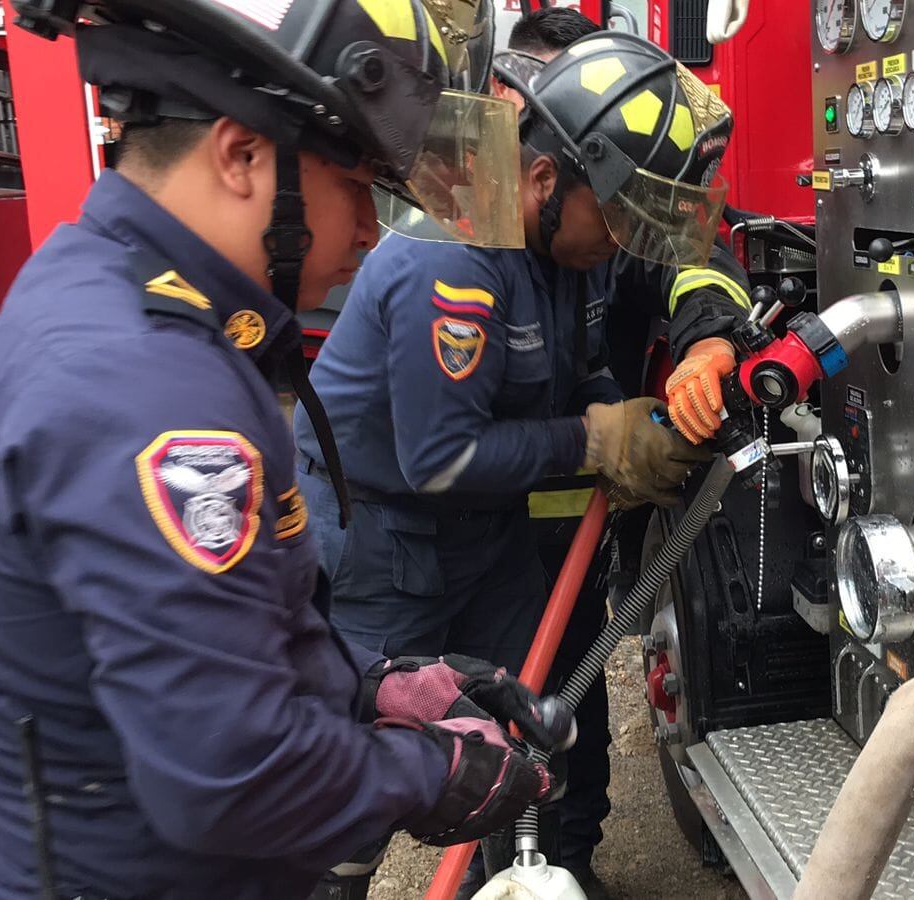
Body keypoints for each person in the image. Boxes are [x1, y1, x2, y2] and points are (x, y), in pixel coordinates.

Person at [0, 2, 558, 898]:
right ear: (242, 155)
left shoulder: (97, 285)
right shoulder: (151, 390)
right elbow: (236, 775)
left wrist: (371, 686)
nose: (369, 230)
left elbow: (192, 642)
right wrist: (433, 774)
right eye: (356, 183)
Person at [296, 25, 747, 896]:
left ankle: (525, 879)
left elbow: (578, 365)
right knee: (355, 773)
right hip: (384, 541)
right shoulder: (455, 260)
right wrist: (596, 439)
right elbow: (439, 456)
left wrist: (632, 415)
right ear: (544, 180)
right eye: (618, 215)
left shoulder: (569, 241)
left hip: (485, 533)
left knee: (529, 735)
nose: (625, 238)